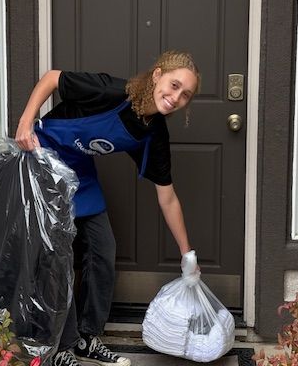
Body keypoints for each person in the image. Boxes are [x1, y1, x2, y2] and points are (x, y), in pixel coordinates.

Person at [15, 51, 200, 366]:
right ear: (157, 75)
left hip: (79, 171)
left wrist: (188, 255)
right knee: (57, 255)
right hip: (43, 159)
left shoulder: (154, 133)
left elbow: (167, 197)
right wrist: (24, 123)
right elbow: (51, 78)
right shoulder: (110, 91)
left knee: (102, 249)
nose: (176, 97)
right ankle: (60, 347)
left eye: (185, 95)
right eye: (174, 84)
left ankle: (87, 338)